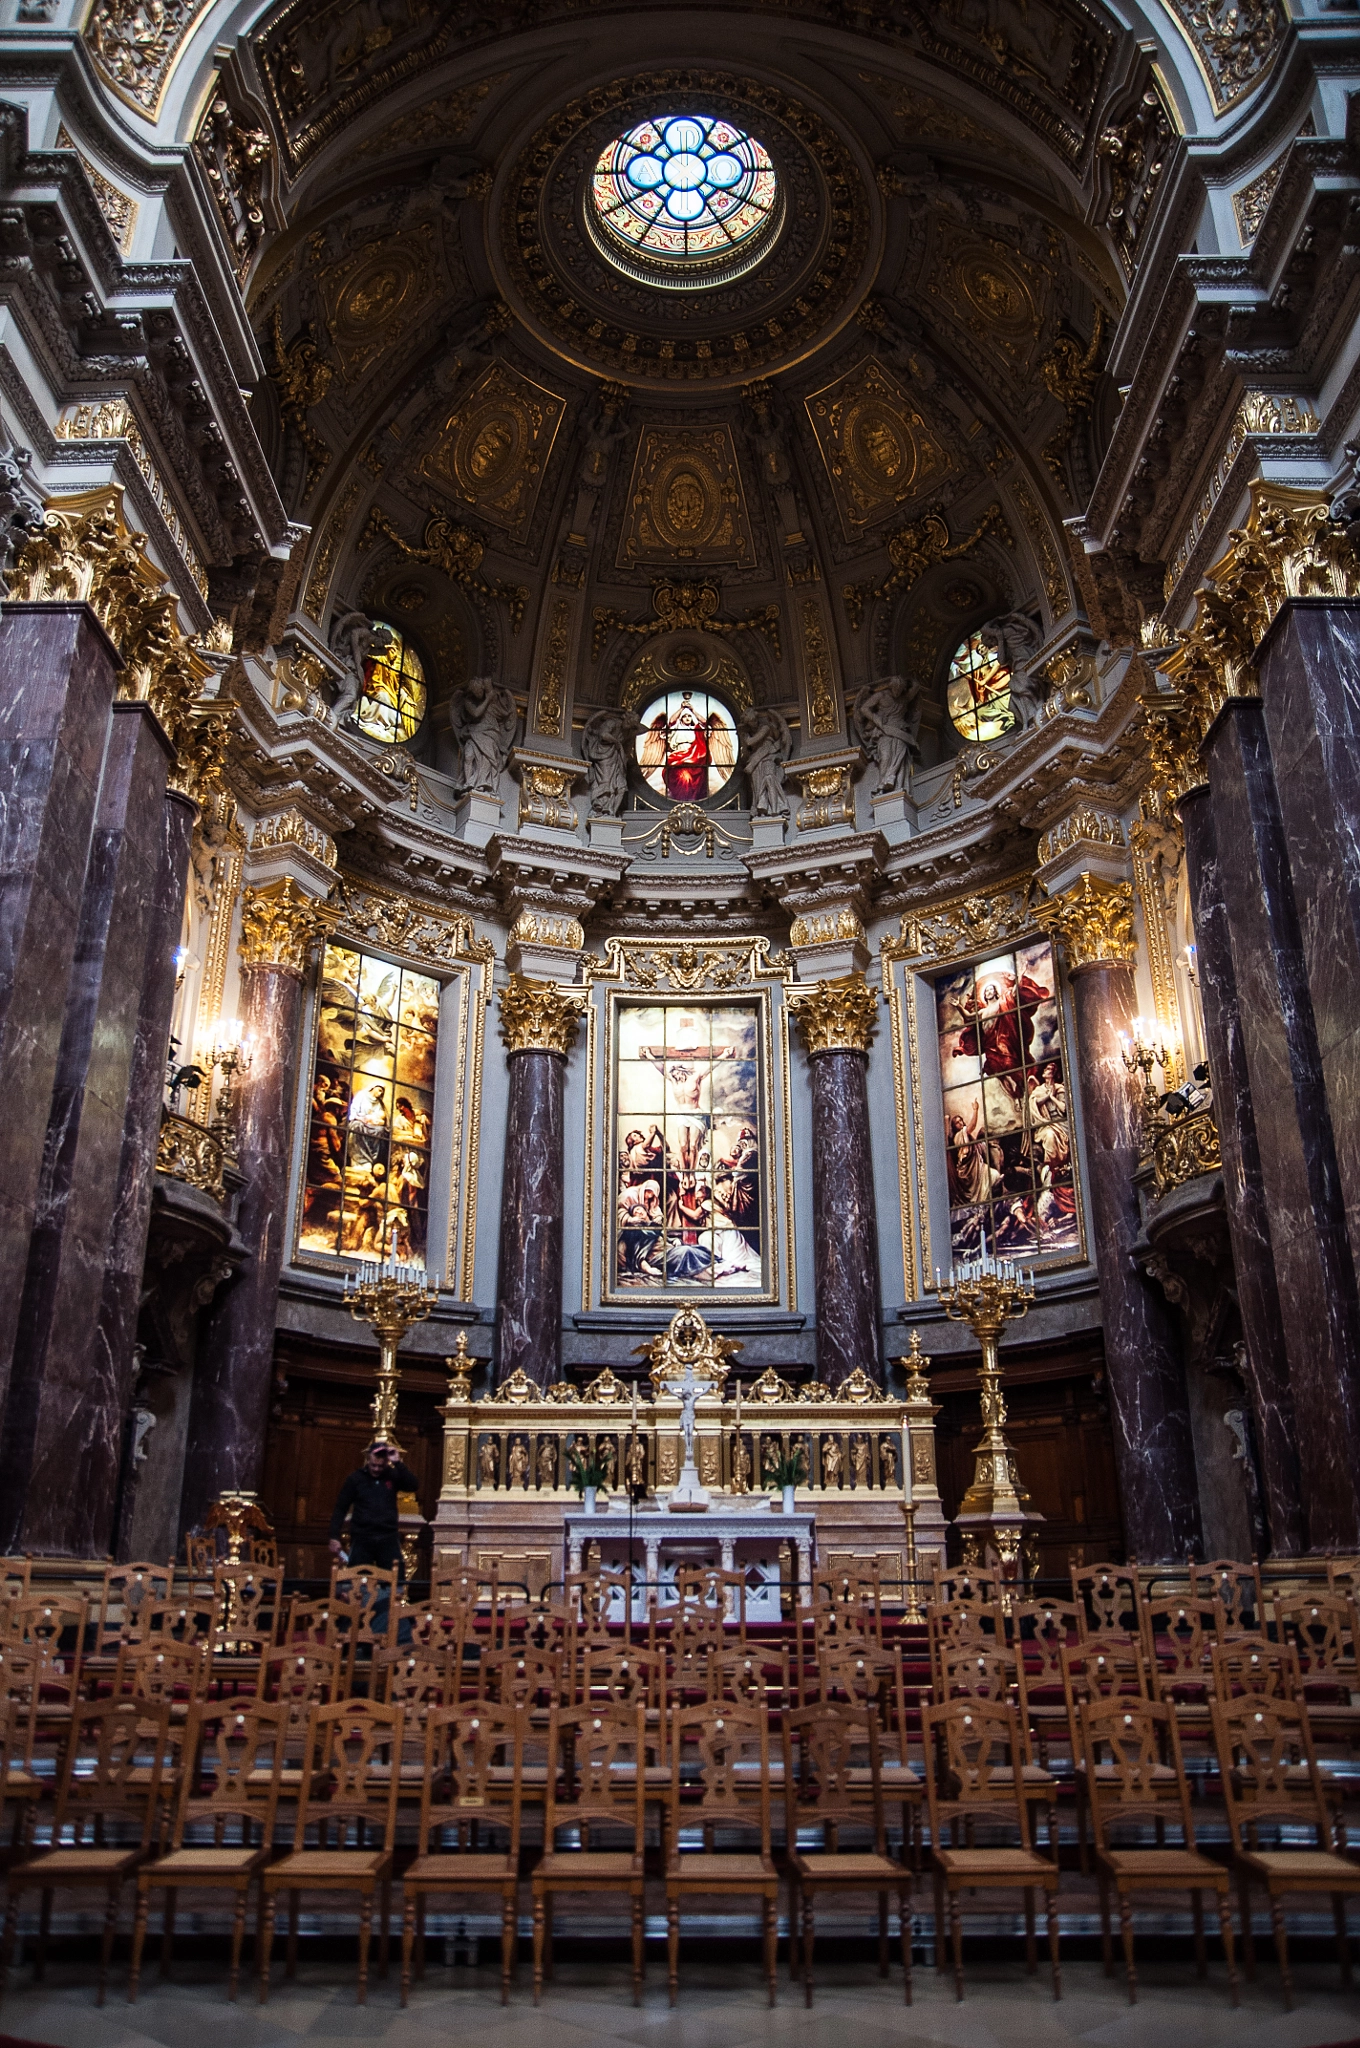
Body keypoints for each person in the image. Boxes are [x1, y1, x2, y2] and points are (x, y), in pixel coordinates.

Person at [328, 1440, 419, 1571]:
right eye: (373, 1465)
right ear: (368, 1460)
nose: (376, 1469)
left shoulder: (392, 1475)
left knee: (394, 1580)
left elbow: (413, 1485)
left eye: (380, 1466)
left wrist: (397, 1463)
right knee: (358, 1580)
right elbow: (340, 1508)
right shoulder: (355, 1479)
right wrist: (334, 1536)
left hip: (388, 1536)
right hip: (362, 1537)